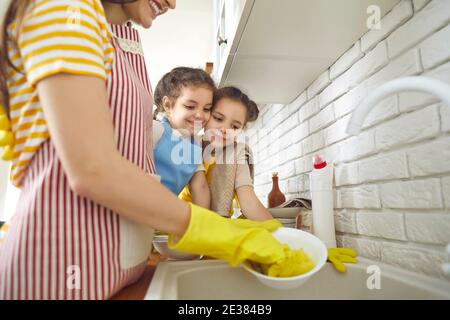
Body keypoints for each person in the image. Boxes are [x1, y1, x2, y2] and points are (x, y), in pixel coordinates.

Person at [0, 0, 351, 300]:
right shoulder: (63, 10)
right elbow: (92, 168)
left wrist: (291, 241)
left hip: (119, 270)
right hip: (54, 272)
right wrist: (220, 233)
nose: (173, 2)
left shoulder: (122, 33)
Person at [179, 86, 273, 220]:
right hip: (183, 220)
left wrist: (278, 231)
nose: (224, 129)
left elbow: (248, 200)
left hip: (219, 224)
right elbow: (199, 189)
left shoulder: (237, 153)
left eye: (234, 127)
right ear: (206, 115)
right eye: (218, 118)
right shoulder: (190, 144)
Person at [152, 67, 213, 209]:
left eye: (206, 108)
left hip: (160, 217)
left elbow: (200, 187)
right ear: (168, 105)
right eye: (190, 106)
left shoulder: (195, 146)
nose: (200, 115)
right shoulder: (155, 129)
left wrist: (205, 222)